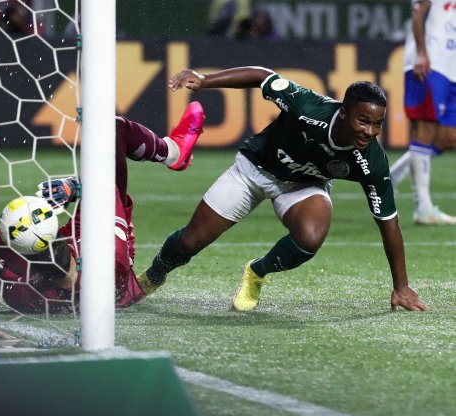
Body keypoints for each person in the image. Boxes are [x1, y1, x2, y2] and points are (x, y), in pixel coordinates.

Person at [136, 66, 429, 312]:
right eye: (363, 120)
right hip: (252, 171)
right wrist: (204, 81)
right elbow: (261, 76)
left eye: (377, 124)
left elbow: (389, 224)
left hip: (301, 186)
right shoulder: (307, 107)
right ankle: (153, 275)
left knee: (310, 237)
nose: (370, 131)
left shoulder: (371, 161)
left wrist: (401, 287)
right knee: (190, 241)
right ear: (342, 113)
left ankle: (257, 272)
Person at [0, 102, 204, 313]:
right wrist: (75, 188)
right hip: (111, 266)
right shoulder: (107, 254)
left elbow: (2, 278)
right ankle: (173, 152)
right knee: (111, 129)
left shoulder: (23, 292)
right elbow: (104, 187)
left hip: (69, 270)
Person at [388, 0, 456, 225]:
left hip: (450, 65)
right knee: (425, 128)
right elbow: (418, 11)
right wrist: (421, 53)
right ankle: (423, 208)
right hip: (430, 59)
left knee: (448, 137)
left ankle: (392, 175)